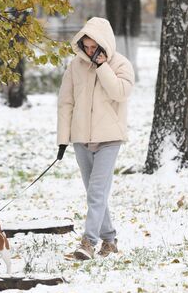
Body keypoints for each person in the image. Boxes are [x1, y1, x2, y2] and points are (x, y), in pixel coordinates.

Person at [56, 17, 135, 260]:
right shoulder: (74, 67)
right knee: (94, 192)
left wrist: (102, 67)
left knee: (97, 192)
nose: (90, 51)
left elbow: (120, 93)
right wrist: (63, 139)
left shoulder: (121, 64)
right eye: (86, 47)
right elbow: (66, 102)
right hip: (81, 138)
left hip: (109, 138)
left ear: (104, 44)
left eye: (94, 47)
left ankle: (88, 243)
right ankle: (109, 241)